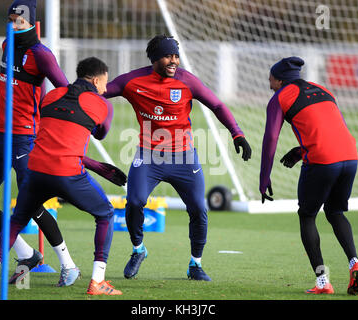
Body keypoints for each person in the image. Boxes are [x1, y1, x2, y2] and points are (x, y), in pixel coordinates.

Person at [0, 0, 101, 286]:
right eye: (10, 18)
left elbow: (65, 90)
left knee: (32, 203)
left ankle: (68, 264)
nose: (13, 23)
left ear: (30, 21)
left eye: (18, 20)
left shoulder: (41, 54)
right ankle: (27, 254)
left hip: (25, 139)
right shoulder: (7, 44)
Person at [104, 35, 251, 281]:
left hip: (184, 157)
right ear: (154, 59)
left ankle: (195, 265)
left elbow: (217, 105)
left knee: (198, 208)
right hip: (148, 156)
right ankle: (138, 249)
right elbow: (98, 92)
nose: (174, 61)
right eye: (167, 56)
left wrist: (237, 134)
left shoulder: (187, 81)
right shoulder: (132, 81)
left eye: (175, 55)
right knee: (135, 200)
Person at [0, 57, 125, 296]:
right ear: (96, 80)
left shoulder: (51, 96)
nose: (106, 89)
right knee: (105, 213)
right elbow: (101, 133)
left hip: (35, 170)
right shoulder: (102, 103)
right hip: (68, 173)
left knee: (16, 221)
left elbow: (56, 128)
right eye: (105, 83)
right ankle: (98, 281)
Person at [259, 56, 358, 295]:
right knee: (335, 212)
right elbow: (332, 127)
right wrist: (299, 150)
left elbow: (271, 139)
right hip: (350, 156)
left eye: (271, 79)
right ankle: (354, 262)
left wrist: (264, 177)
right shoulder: (322, 89)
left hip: (322, 161)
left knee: (307, 215)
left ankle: (322, 281)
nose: (269, 83)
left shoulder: (279, 98)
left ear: (280, 79)